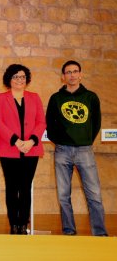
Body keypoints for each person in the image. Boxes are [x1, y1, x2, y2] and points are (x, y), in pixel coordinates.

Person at [46, 60, 108, 236]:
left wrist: (85, 139)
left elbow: (96, 123)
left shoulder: (91, 97)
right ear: (63, 77)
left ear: (80, 74)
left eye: (75, 71)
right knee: (63, 196)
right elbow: (50, 124)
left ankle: (100, 233)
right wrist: (61, 140)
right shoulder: (56, 98)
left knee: (94, 194)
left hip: (84, 151)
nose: (72, 75)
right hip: (62, 151)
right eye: (68, 72)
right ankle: (69, 231)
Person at [0, 64, 46, 235]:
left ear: (27, 79)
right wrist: (16, 141)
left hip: (31, 149)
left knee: (25, 187)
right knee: (11, 187)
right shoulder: (1, 97)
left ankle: (23, 223)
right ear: (9, 79)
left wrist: (31, 141)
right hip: (9, 148)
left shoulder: (35, 97)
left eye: (22, 77)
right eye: (16, 76)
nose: (19, 80)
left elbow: (41, 122)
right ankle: (13, 223)